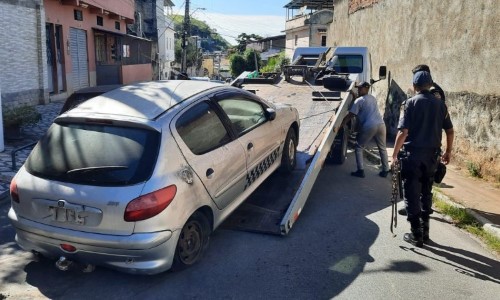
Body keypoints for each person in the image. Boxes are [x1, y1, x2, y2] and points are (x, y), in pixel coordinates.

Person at [392, 71, 454, 247]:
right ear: (430, 85)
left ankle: (416, 234)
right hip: (432, 157)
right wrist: (448, 152)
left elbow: (403, 132)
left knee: (411, 193)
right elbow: (450, 131)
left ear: (414, 86)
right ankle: (425, 231)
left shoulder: (409, 103)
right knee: (426, 191)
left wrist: (394, 155)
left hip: (413, 156)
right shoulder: (441, 105)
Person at [399, 64, 446, 216]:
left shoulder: (434, 92)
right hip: (428, 144)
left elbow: (434, 117)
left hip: (423, 142)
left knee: (420, 182)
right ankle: (419, 209)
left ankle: (419, 210)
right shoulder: (429, 90)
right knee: (422, 181)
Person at [339, 81, 390, 178]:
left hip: (370, 126)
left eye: (360, 88)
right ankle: (385, 170)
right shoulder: (372, 98)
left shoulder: (359, 101)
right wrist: (354, 96)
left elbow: (351, 114)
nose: (359, 90)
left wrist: (341, 125)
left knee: (358, 147)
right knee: (382, 148)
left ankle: (360, 170)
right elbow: (360, 104)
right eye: (358, 88)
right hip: (381, 125)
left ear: (367, 89)